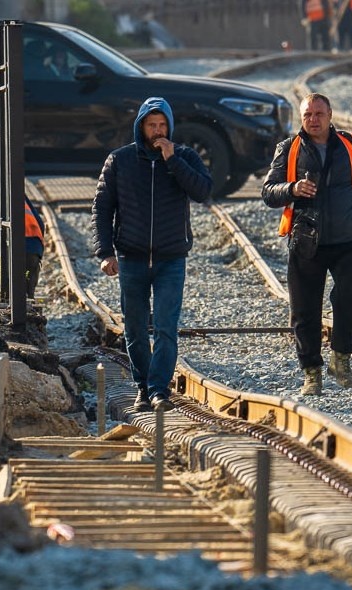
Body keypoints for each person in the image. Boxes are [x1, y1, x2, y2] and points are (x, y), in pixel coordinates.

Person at [262, 92, 352, 396]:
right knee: (304, 311)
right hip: (306, 242)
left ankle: (341, 360)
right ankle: (311, 373)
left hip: (347, 240)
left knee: (348, 299)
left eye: (319, 114)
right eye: (307, 115)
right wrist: (292, 188)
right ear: (301, 118)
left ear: (330, 115)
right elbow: (268, 192)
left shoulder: (351, 145)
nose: (313, 120)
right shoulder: (288, 149)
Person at [91, 97, 212, 413]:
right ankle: (143, 387)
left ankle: (159, 390)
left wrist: (174, 161)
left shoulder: (184, 156)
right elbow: (102, 209)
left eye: (162, 125)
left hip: (171, 258)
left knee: (165, 327)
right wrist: (105, 252)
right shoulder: (120, 161)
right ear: (141, 126)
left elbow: (202, 191)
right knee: (134, 328)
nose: (157, 131)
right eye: (151, 125)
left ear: (170, 126)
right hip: (131, 258)